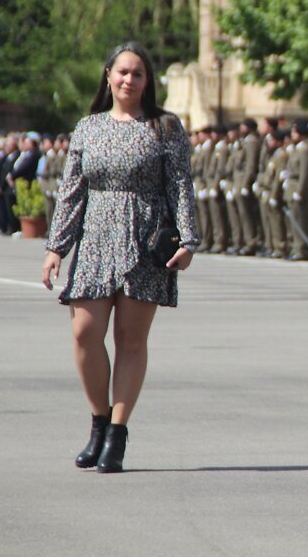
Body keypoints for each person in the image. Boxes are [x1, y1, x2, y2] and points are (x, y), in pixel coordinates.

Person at [41, 43, 198, 473]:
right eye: (123, 72)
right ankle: (99, 419)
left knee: (131, 339)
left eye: (139, 74)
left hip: (147, 239)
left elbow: (180, 186)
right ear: (108, 75)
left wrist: (188, 239)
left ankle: (118, 434)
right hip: (95, 239)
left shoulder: (165, 127)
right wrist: (57, 246)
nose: (130, 80)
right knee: (84, 334)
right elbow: (72, 192)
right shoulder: (88, 128)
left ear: (148, 82)